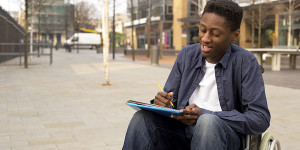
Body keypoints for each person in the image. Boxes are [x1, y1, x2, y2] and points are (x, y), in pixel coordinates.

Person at [122, 0, 270, 149]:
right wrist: (163, 103)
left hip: (222, 137)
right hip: (181, 134)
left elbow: (260, 118)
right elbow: (172, 100)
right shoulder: (187, 55)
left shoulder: (245, 62)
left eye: (215, 34)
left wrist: (205, 115)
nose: (205, 38)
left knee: (207, 123)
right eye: (202, 30)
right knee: (142, 118)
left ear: (234, 35)